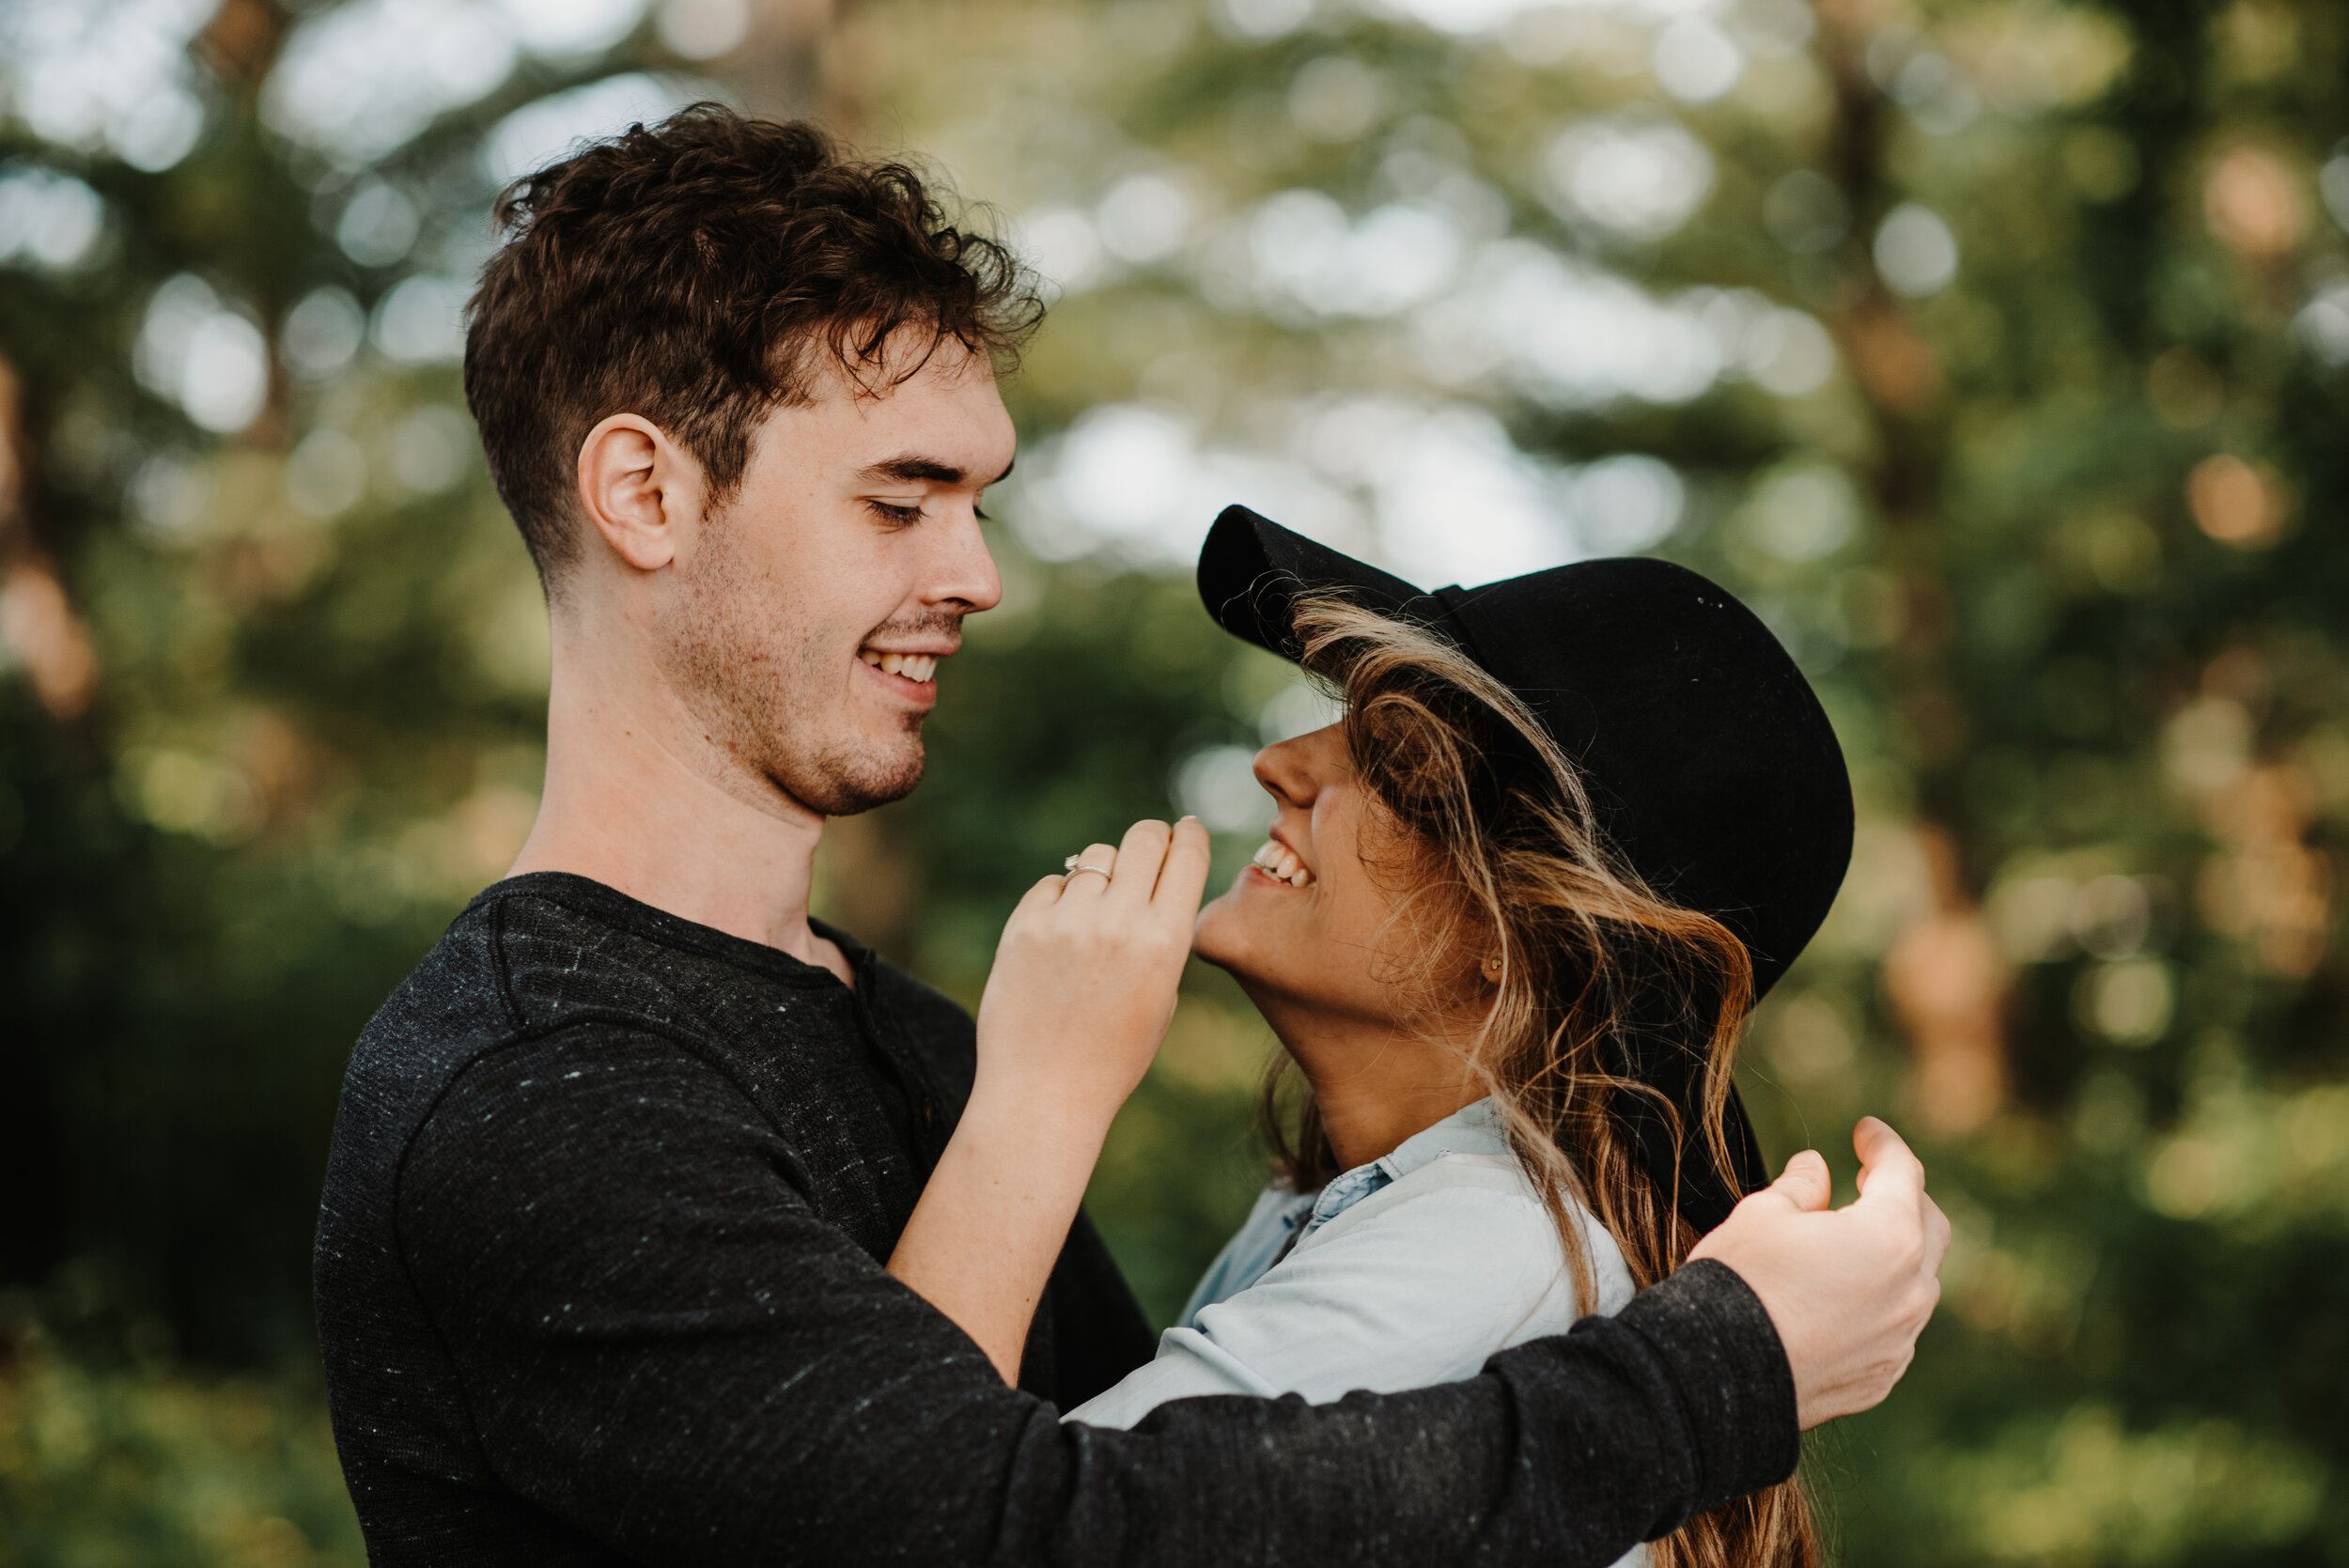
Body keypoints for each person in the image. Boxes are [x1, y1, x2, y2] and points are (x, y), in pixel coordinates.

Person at [313, 107, 1950, 1565]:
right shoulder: (539, 1087)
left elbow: (1098, 1471)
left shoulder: (914, 1043)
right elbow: (1030, 1522)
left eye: (981, 500)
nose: (977, 575)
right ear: (645, 496)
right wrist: (1722, 1370)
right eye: (898, 501)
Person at [893, 510, 1874, 1567]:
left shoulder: (1489, 1244)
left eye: (1399, 762)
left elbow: (902, 1528)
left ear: (1526, 933)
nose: (1280, 760)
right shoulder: (1354, 1206)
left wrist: (1042, 1090)